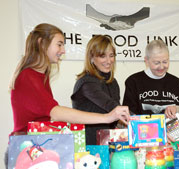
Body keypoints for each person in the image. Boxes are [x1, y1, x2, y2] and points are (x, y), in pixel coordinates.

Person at [6, 23, 130, 167]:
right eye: (59, 45)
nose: (63, 51)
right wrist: (108, 117)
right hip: (28, 151)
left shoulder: (41, 77)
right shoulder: (28, 76)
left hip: (38, 148)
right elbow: (55, 113)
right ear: (41, 43)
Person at [123, 40, 179, 143]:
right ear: (146, 60)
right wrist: (159, 133)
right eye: (157, 63)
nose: (161, 67)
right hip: (145, 139)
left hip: (175, 141)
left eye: (165, 62)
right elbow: (130, 116)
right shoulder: (133, 81)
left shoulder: (177, 83)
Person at [71, 35, 121, 145]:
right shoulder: (87, 82)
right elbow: (111, 106)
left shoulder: (113, 82)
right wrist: (141, 122)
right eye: (103, 56)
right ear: (92, 58)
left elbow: (116, 117)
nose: (109, 61)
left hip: (108, 143)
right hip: (88, 146)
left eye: (111, 56)